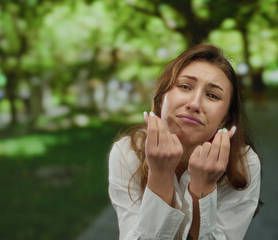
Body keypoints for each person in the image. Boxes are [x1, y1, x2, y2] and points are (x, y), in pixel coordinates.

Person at [108, 44, 262, 239]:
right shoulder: (129, 151)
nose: (195, 104)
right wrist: (160, 174)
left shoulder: (243, 163)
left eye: (212, 95)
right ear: (162, 97)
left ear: (225, 118)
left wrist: (203, 188)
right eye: (184, 86)